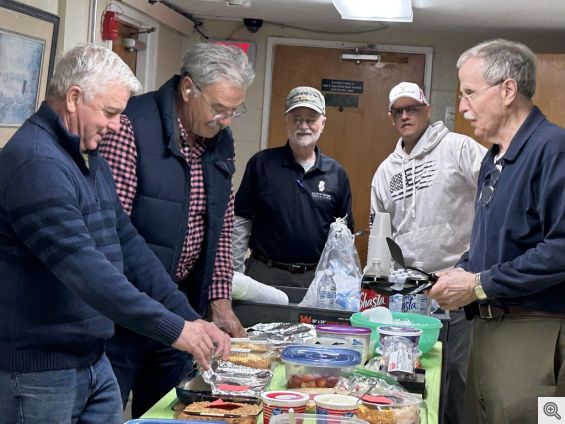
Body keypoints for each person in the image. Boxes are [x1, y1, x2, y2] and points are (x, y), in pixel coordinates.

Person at [0, 44, 230, 424]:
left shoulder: (87, 157)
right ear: (74, 98)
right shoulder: (35, 162)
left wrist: (190, 317)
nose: (116, 125)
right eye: (110, 113)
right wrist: (176, 330)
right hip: (38, 371)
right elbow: (86, 271)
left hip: (91, 358)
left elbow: (130, 245)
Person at [99, 42, 254, 417]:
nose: (226, 121)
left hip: (183, 310)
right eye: (219, 108)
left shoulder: (220, 139)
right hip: (126, 313)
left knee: (170, 412)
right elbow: (113, 232)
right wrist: (163, 309)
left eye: (235, 111)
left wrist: (219, 302)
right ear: (188, 89)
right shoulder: (131, 125)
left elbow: (219, 223)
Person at [427, 39, 565, 423]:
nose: (463, 107)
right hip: (486, 330)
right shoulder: (493, 160)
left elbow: (561, 248)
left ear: (507, 90)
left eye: (470, 93)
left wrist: (480, 282)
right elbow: (491, 245)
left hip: (534, 333)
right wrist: (459, 273)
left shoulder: (553, 149)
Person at [370, 81, 486, 424]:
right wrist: (378, 282)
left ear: (427, 111)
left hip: (458, 283)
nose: (406, 116)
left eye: (413, 109)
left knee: (458, 376)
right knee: (407, 374)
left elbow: (498, 192)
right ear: (391, 118)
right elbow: (381, 234)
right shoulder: (385, 171)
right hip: (409, 291)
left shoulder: (458, 148)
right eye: (398, 111)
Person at [233, 86, 354, 289]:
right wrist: (234, 273)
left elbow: (343, 236)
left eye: (311, 119)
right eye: (297, 118)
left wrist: (341, 281)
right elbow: (240, 221)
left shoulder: (336, 173)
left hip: (315, 279)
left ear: (323, 123)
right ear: (286, 121)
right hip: (264, 274)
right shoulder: (262, 164)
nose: (304, 126)